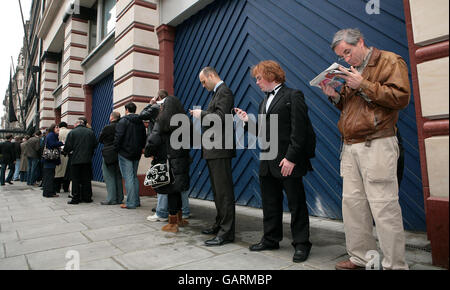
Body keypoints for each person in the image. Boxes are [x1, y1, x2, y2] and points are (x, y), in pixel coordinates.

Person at [319, 28, 410, 270]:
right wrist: (335, 97)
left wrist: (364, 84)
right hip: (350, 146)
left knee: (384, 207)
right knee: (353, 207)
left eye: (348, 52)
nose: (346, 60)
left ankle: (395, 265)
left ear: (360, 42)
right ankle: (362, 259)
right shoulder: (352, 70)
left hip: (377, 143)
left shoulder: (389, 60)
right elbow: (354, 110)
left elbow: (401, 98)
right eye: (342, 56)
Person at [234, 60, 313, 263]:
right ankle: (271, 238)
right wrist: (246, 122)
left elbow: (300, 130)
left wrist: (292, 158)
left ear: (271, 75)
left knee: (297, 204)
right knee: (270, 203)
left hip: (288, 161)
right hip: (268, 160)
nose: (257, 82)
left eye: (259, 77)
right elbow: (262, 133)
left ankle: (302, 244)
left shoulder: (293, 95)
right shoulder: (263, 102)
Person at [189, 67, 236, 246]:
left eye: (203, 81)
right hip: (214, 149)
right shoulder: (218, 93)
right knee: (218, 192)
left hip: (220, 149)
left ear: (211, 75)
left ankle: (226, 233)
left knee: (224, 193)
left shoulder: (224, 92)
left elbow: (221, 118)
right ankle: (219, 225)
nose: (203, 85)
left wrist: (201, 114)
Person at [141, 89, 191, 221]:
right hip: (182, 160)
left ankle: (168, 218)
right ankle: (181, 216)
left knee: (168, 190)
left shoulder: (162, 119)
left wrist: (148, 152)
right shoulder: (185, 121)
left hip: (167, 159)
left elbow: (153, 140)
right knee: (179, 189)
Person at [114, 102, 147, 209]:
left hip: (124, 153)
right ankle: (136, 201)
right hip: (136, 153)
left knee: (128, 177)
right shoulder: (140, 122)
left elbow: (119, 137)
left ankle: (131, 203)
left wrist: (116, 149)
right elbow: (143, 137)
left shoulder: (123, 121)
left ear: (127, 110)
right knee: (134, 177)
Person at [63, 117, 98, 204]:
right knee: (86, 179)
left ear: (76, 124)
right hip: (87, 160)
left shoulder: (72, 132)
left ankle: (76, 198)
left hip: (75, 160)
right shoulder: (90, 132)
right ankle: (87, 198)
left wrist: (65, 152)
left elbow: (67, 146)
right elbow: (95, 144)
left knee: (75, 179)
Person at [99, 111, 124, 205]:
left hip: (108, 153)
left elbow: (100, 139)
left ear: (112, 117)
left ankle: (111, 198)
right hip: (120, 153)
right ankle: (119, 198)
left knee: (109, 175)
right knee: (118, 176)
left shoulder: (108, 127)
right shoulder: (121, 126)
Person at [42, 124, 64, 198]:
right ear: (53, 128)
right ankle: (49, 192)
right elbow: (52, 144)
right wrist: (61, 143)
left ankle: (48, 192)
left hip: (49, 160)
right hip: (50, 159)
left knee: (49, 176)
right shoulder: (51, 135)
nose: (58, 129)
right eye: (57, 127)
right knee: (49, 176)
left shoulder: (50, 135)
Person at [54, 122, 71, 193]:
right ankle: (66, 188)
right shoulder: (70, 132)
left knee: (58, 171)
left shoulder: (57, 132)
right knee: (66, 172)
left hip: (59, 154)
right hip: (67, 154)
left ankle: (57, 189)